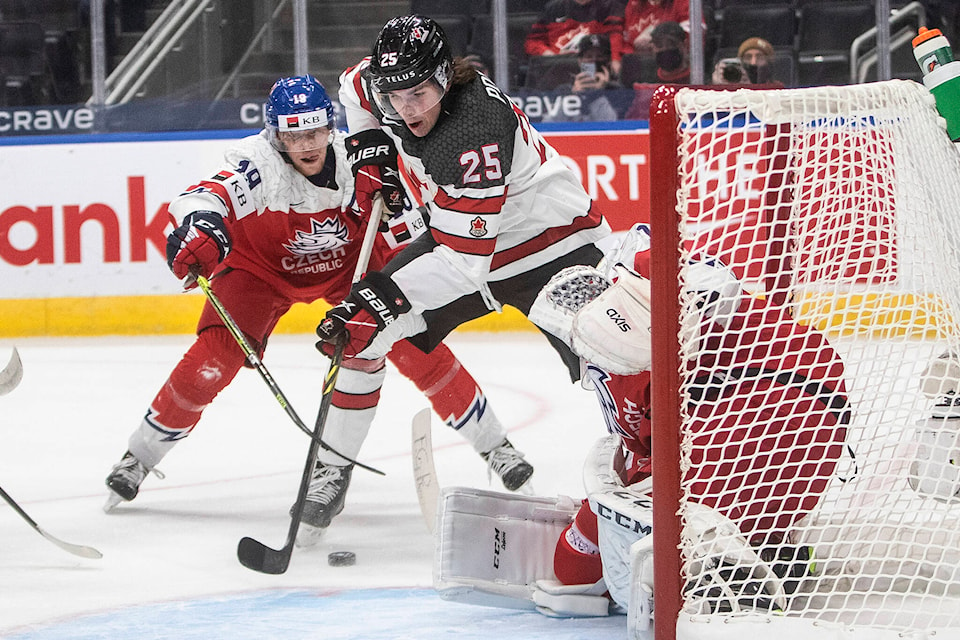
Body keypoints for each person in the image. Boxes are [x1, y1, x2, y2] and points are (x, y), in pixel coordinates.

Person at [104, 75, 535, 522]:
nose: (306, 144)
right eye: (293, 134)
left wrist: (403, 229)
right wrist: (204, 228)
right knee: (214, 358)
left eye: (314, 132)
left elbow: (409, 232)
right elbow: (201, 197)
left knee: (411, 341)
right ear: (275, 134)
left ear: (331, 128)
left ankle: (496, 446)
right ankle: (138, 457)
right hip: (259, 273)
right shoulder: (260, 165)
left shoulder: (360, 160)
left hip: (348, 268)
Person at [314, 15, 611, 530]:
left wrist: (381, 300)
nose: (407, 111)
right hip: (465, 236)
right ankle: (331, 472)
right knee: (361, 340)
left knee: (613, 362)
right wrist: (371, 151)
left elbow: (462, 262)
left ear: (445, 78)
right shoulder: (384, 87)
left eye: (419, 96)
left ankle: (656, 471)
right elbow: (352, 88)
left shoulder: (473, 130)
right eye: (396, 99)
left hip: (552, 245)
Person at [533, 223, 849, 615]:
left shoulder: (624, 343)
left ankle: (735, 580)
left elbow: (579, 566)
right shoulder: (637, 312)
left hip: (760, 420)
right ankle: (766, 550)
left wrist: (585, 534)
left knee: (595, 562)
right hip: (818, 415)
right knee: (633, 531)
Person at [524, 0, 627, 77]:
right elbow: (532, 42)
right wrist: (549, 55)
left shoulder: (610, 7)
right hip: (558, 72)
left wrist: (616, 59)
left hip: (595, 71)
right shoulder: (553, 8)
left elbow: (616, 36)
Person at [547, 33, 632, 122]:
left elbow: (612, 126)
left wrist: (597, 94)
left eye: (599, 56)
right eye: (589, 57)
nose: (594, 61)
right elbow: (549, 124)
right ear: (580, 61)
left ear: (608, 61)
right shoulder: (564, 90)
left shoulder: (618, 92)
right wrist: (574, 97)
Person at [621, 0, 691, 55]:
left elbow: (693, 36)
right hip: (639, 64)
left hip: (671, 65)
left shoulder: (683, 3)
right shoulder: (634, 4)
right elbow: (626, 44)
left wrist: (657, 40)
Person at [712, 37, 777, 86]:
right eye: (748, 57)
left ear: (769, 62)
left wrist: (748, 87)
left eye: (760, 57)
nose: (753, 62)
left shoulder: (778, 89)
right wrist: (718, 86)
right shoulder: (730, 86)